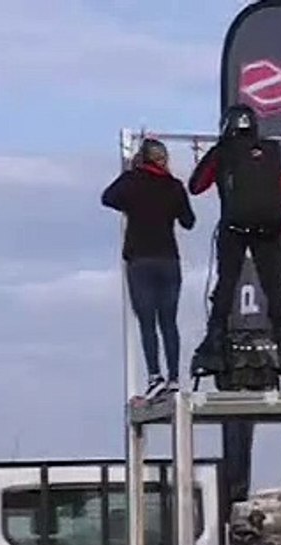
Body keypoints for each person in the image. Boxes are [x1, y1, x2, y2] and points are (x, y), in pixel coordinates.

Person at [188, 103, 281, 374]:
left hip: (235, 227)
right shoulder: (272, 152)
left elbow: (196, 185)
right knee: (275, 287)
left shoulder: (223, 152)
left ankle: (214, 341)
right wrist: (279, 227)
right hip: (269, 229)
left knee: (226, 284)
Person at [102, 137, 196, 399]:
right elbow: (189, 221)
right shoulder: (174, 186)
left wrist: (130, 175)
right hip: (169, 259)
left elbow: (107, 198)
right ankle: (175, 378)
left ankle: (155, 376)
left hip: (140, 259)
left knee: (147, 321)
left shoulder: (133, 182)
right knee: (169, 321)